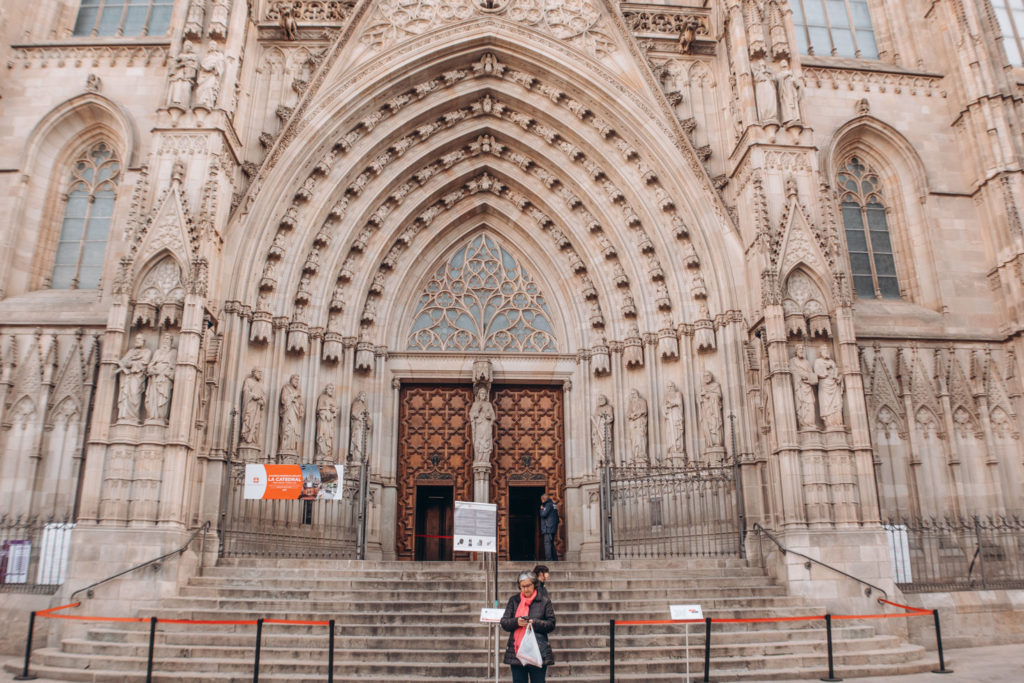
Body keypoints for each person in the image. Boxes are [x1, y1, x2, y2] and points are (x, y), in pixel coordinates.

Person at [500, 571, 555, 683]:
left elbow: (551, 624)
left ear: (534, 584)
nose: (525, 589)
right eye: (522, 586)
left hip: (537, 649)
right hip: (517, 651)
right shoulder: (514, 600)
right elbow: (504, 622)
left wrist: (533, 623)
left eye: (528, 585)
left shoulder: (544, 601)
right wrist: (517, 622)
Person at [539, 493, 559, 562]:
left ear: (543, 499)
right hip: (553, 527)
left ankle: (548, 560)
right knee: (551, 543)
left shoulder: (548, 505)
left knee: (547, 543)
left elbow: (543, 514)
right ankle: (555, 559)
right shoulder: (554, 505)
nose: (541, 502)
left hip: (548, 528)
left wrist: (541, 509)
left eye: (541, 500)